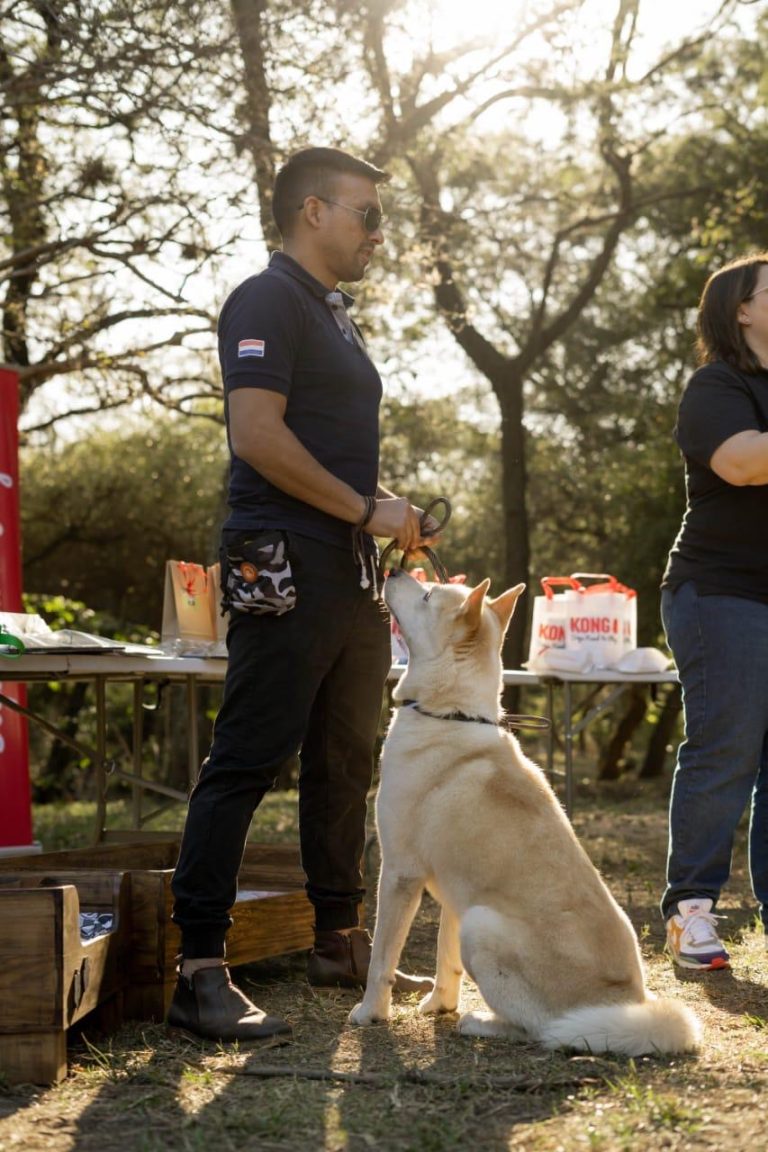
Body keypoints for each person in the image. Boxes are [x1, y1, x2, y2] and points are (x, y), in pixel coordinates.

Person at [167, 146, 436, 1041]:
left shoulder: (333, 316)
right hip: (281, 560)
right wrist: (367, 507)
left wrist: (385, 510)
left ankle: (338, 939)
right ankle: (199, 970)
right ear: (312, 212)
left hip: (348, 569)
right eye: (367, 214)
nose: (378, 233)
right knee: (248, 757)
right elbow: (256, 435)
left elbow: (324, 446)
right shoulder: (266, 298)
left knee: (344, 762)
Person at [660, 251, 768, 970]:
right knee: (725, 749)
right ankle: (690, 913)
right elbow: (741, 462)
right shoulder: (715, 385)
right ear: (741, 310)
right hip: (718, 593)